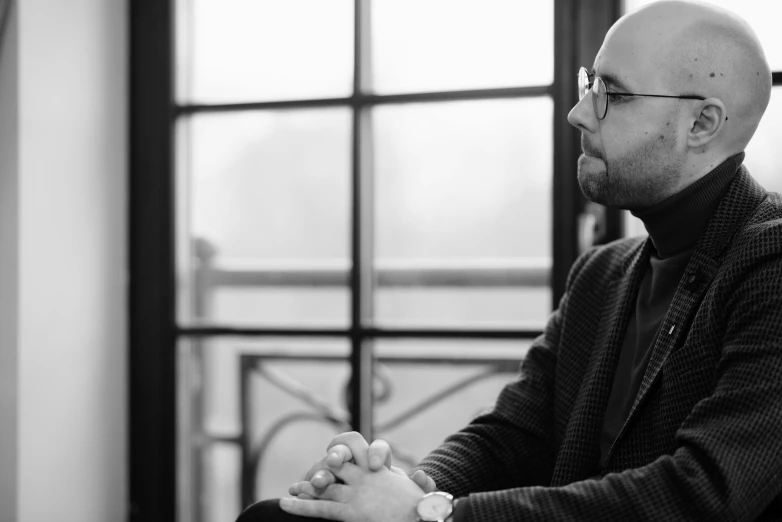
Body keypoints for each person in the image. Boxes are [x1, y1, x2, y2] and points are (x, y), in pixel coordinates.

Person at [237, 0, 782, 520]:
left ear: (702, 124)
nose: (577, 113)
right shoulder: (603, 274)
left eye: (612, 93)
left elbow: (703, 494)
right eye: (589, 84)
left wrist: (429, 515)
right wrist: (404, 488)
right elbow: (513, 434)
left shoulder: (770, 264)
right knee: (280, 517)